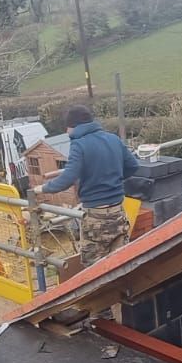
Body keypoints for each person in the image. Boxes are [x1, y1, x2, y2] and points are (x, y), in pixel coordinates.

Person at [41, 105, 140, 265]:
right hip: (118, 213)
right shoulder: (113, 139)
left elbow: (67, 178)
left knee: (93, 269)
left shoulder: (79, 145)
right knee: (120, 264)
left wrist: (43, 188)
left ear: (73, 126)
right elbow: (133, 166)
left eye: (67, 128)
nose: (66, 133)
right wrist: (115, 179)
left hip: (96, 216)